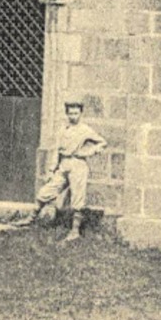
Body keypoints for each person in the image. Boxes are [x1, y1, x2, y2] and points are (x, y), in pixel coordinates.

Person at [27, 100, 107, 242]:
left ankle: (75, 231)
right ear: (67, 114)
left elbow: (102, 142)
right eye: (70, 113)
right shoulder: (63, 130)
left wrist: (88, 152)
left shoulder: (85, 130)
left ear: (80, 114)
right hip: (64, 164)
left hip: (78, 164)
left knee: (77, 198)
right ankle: (30, 219)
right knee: (46, 191)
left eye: (76, 113)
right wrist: (51, 170)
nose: (73, 116)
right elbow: (56, 151)